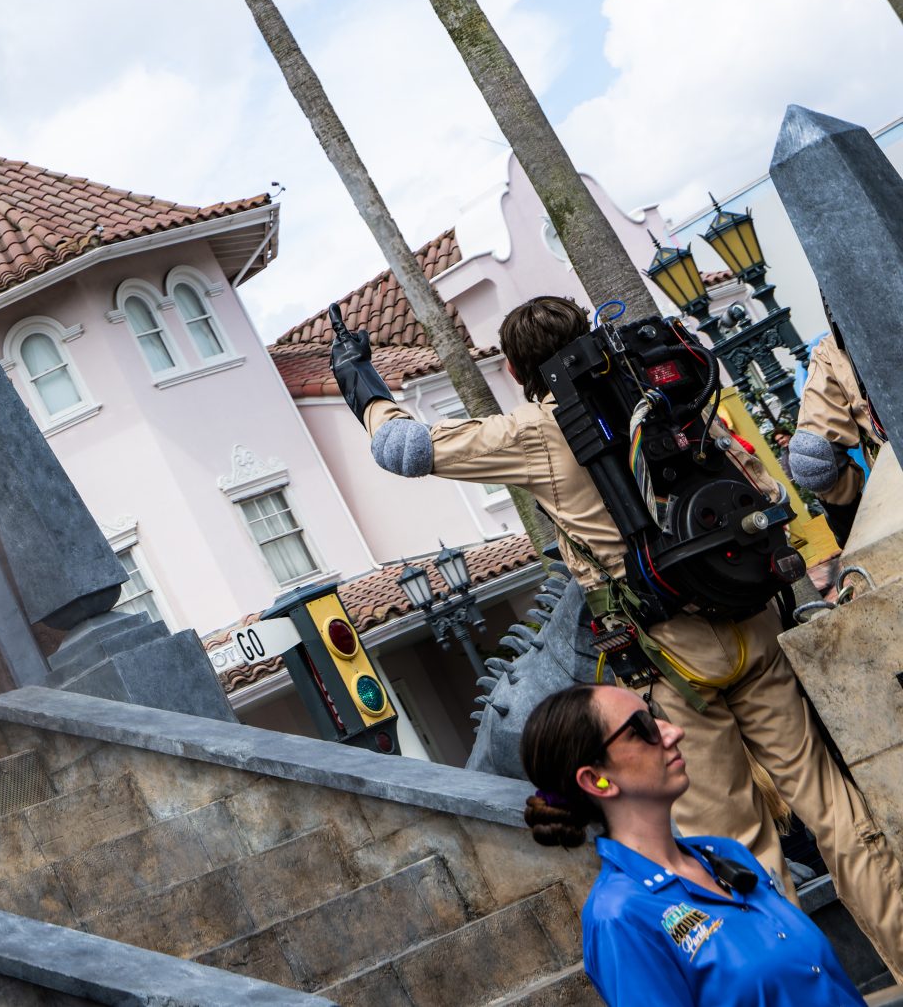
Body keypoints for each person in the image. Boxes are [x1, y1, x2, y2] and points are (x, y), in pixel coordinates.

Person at [335, 295, 903, 971]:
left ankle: (795, 986)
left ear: (516, 371)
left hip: (674, 658)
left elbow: (402, 448)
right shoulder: (664, 392)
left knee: (740, 848)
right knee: (838, 812)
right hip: (750, 617)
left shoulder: (537, 431)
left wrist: (362, 383)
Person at [522, 682, 868, 1005]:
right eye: (641, 728)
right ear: (597, 780)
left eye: (655, 714)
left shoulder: (725, 854)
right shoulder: (618, 916)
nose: (673, 731)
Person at [789, 327, 884, 548]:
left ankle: (863, 543)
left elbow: (816, 457)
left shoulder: (832, 349)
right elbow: (815, 457)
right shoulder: (831, 349)